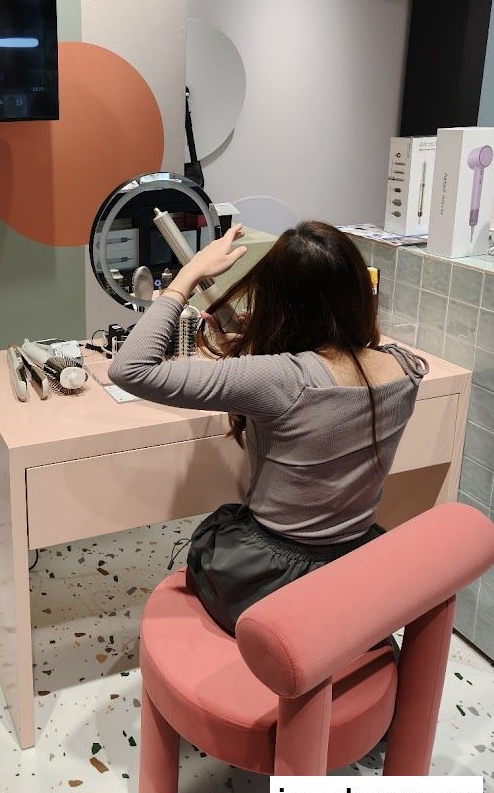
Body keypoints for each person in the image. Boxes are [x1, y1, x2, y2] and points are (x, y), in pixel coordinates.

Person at [108, 220, 428, 635]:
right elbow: (333, 367)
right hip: (356, 571)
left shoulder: (280, 378)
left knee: (212, 534)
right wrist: (257, 345)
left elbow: (131, 368)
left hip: (275, 581)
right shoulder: (406, 368)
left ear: (278, 300)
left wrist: (188, 276)